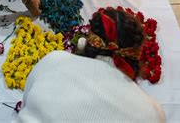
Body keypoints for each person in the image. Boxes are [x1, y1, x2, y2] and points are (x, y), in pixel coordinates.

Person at [14, 8, 166, 122]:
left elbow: (26, 104)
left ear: (86, 42)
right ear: (136, 56)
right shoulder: (151, 114)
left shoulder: (53, 60)